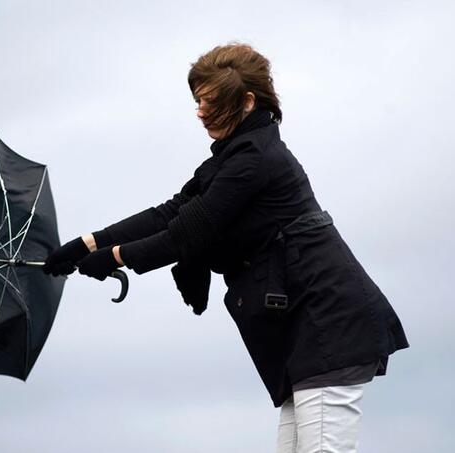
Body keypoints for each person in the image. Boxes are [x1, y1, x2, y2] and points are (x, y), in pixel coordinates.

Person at [42, 42, 409, 453]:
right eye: (198, 101)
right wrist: (85, 244)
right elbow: (171, 213)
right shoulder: (232, 157)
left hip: (330, 328)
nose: (200, 111)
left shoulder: (255, 160)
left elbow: (185, 236)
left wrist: (111, 258)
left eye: (211, 102)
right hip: (305, 335)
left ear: (247, 101)